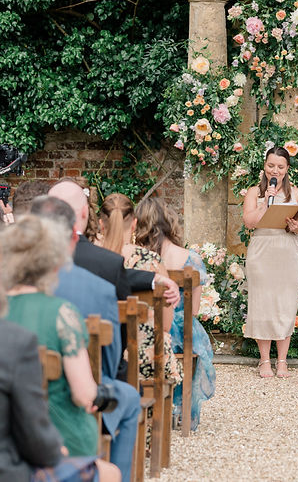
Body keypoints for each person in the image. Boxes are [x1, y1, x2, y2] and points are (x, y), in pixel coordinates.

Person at [0, 215, 121, 482]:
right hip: (62, 436)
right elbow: (83, 394)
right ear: (54, 263)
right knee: (113, 473)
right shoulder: (62, 313)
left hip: (10, 436)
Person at [31, 195, 143, 482]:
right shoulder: (98, 289)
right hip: (78, 405)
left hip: (20, 405)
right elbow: (109, 359)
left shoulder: (15, 286)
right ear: (72, 236)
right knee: (128, 395)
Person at [134, 197, 215, 430]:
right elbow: (196, 310)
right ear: (169, 222)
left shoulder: (138, 260)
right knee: (190, 331)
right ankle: (183, 413)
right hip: (183, 336)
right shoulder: (192, 260)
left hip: (148, 332)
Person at [48, 180, 179, 305]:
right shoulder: (104, 261)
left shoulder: (31, 252)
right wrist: (156, 278)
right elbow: (106, 271)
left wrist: (152, 279)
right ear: (84, 212)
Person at [96, 193, 182, 384]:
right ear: (134, 224)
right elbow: (165, 325)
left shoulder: (91, 260)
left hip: (99, 354)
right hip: (147, 358)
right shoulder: (151, 262)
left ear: (101, 224)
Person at [240, 146, 298, 379]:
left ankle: (282, 361)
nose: (275, 170)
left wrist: (297, 227)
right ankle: (264, 361)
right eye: (271, 166)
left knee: (285, 305)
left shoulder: (296, 193)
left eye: (280, 167)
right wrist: (264, 203)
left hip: (287, 252)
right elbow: (249, 222)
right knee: (263, 304)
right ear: (264, 166)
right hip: (262, 251)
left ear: (287, 169)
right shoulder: (253, 192)